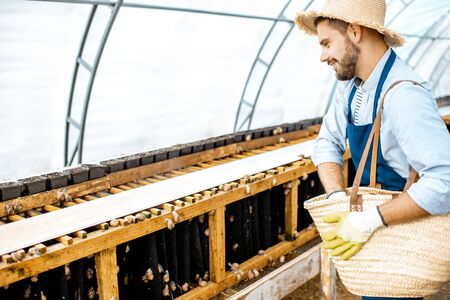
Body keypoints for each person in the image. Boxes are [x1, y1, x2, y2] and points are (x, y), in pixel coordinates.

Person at [294, 0, 450, 299]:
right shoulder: (350, 87)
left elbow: (444, 182)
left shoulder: (404, 95)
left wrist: (370, 220)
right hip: (375, 238)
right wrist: (339, 199)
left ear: (354, 31)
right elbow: (327, 143)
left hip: (402, 237)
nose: (323, 56)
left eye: (327, 43)